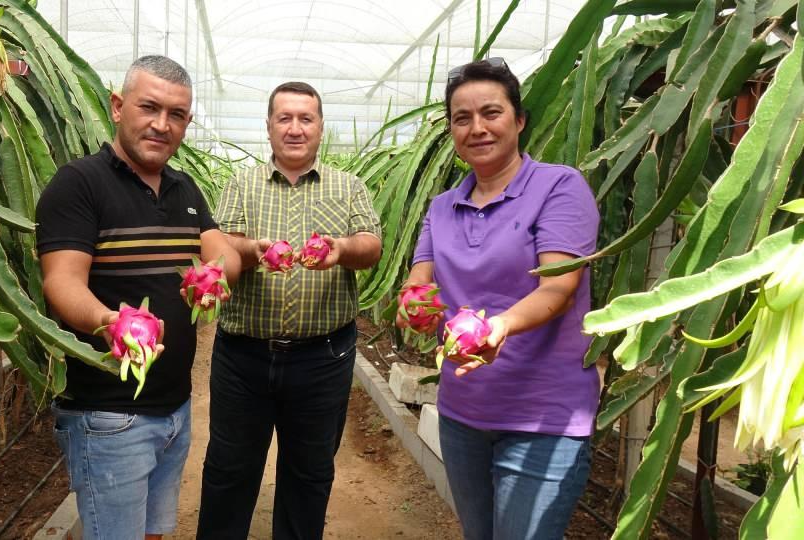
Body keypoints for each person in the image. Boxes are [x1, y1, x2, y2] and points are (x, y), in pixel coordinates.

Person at [35, 55, 240, 540]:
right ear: (117, 106)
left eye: (177, 115)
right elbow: (61, 281)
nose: (161, 124)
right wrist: (111, 322)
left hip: (174, 409)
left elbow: (222, 252)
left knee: (153, 533)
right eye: (149, 107)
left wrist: (214, 275)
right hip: (108, 414)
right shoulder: (78, 184)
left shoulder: (183, 187)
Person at [400, 59, 600, 539]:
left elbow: (558, 285)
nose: (477, 128)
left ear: (519, 119)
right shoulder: (441, 207)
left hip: (544, 416)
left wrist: (500, 327)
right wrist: (416, 307)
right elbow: (419, 277)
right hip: (463, 411)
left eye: (491, 112)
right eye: (461, 118)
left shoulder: (560, 186)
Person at [196, 81, 382, 539]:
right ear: (269, 127)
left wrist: (340, 248)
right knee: (229, 470)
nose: (295, 129)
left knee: (310, 473)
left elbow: (372, 245)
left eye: (306, 118)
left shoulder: (349, 187)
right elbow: (220, 247)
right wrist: (251, 248)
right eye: (285, 118)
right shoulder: (241, 186)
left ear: (320, 127)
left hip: (323, 358)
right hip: (243, 356)